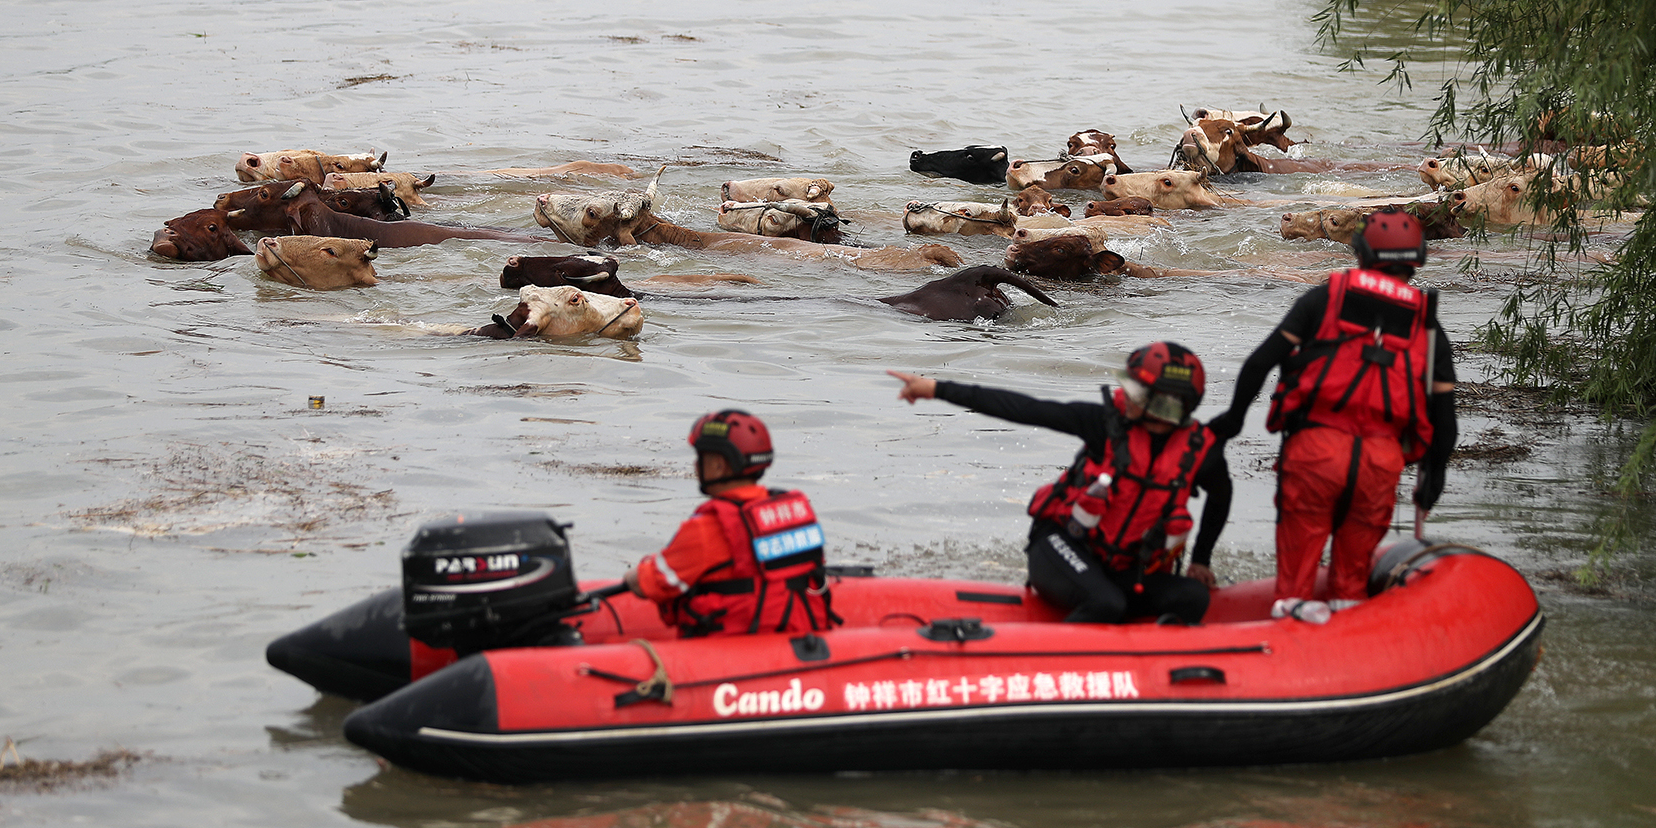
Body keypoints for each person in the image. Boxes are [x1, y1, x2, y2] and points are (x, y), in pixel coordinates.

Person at [1204, 209, 1459, 622]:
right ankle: (1350, 632)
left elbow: (1259, 364)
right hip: (1380, 461)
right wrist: (1434, 477)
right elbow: (1444, 422)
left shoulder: (1324, 299)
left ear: (1360, 253)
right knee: (1351, 586)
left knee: (1295, 580)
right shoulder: (1429, 328)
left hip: (1315, 450)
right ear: (1418, 260)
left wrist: (1233, 420)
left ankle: (1289, 618)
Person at [889, 342, 1231, 624]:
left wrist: (1201, 559)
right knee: (1107, 604)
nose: (1125, 395)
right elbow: (1025, 408)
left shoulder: (1199, 453)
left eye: (1138, 393)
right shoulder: (1102, 424)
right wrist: (937, 389)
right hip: (1060, 546)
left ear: (1168, 406)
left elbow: (1222, 496)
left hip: (1125, 567)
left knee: (1193, 598)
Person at [624, 410, 836, 637]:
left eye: (701, 459)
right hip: (800, 637)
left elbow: (650, 583)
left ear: (717, 465)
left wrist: (631, 577)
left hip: (737, 650)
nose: (696, 467)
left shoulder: (705, 530)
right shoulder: (790, 512)